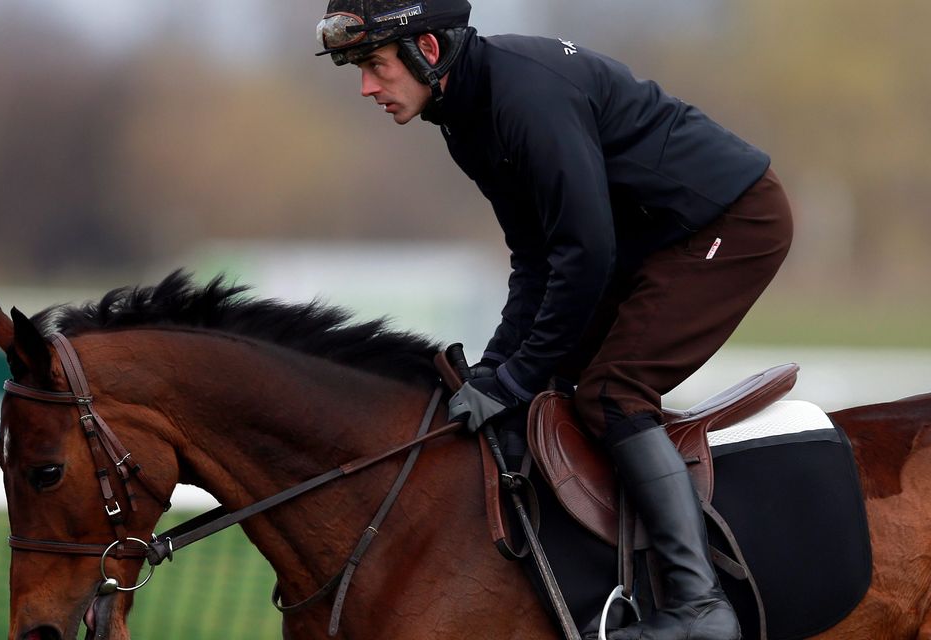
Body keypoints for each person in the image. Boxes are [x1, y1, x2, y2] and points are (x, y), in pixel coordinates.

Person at [316, 2, 793, 639]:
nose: (366, 87)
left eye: (376, 65)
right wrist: (496, 372)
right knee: (536, 388)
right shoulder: (461, 114)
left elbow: (585, 255)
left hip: (729, 223)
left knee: (611, 395)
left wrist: (514, 377)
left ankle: (701, 607)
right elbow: (537, 258)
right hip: (650, 238)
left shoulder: (524, 98)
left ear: (426, 49)